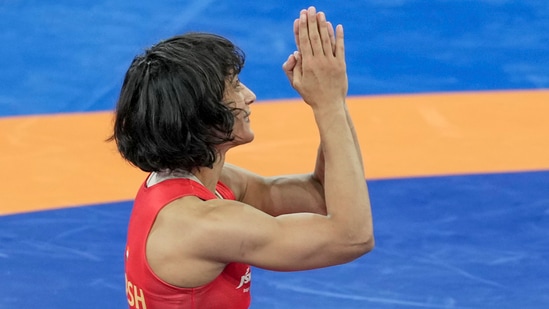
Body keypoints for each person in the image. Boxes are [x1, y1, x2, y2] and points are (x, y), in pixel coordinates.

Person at [111, 6, 374, 309]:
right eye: (234, 87)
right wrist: (327, 104)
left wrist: (334, 99)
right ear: (201, 114)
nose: (250, 96)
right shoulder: (200, 225)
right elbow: (352, 237)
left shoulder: (210, 182)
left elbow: (320, 195)